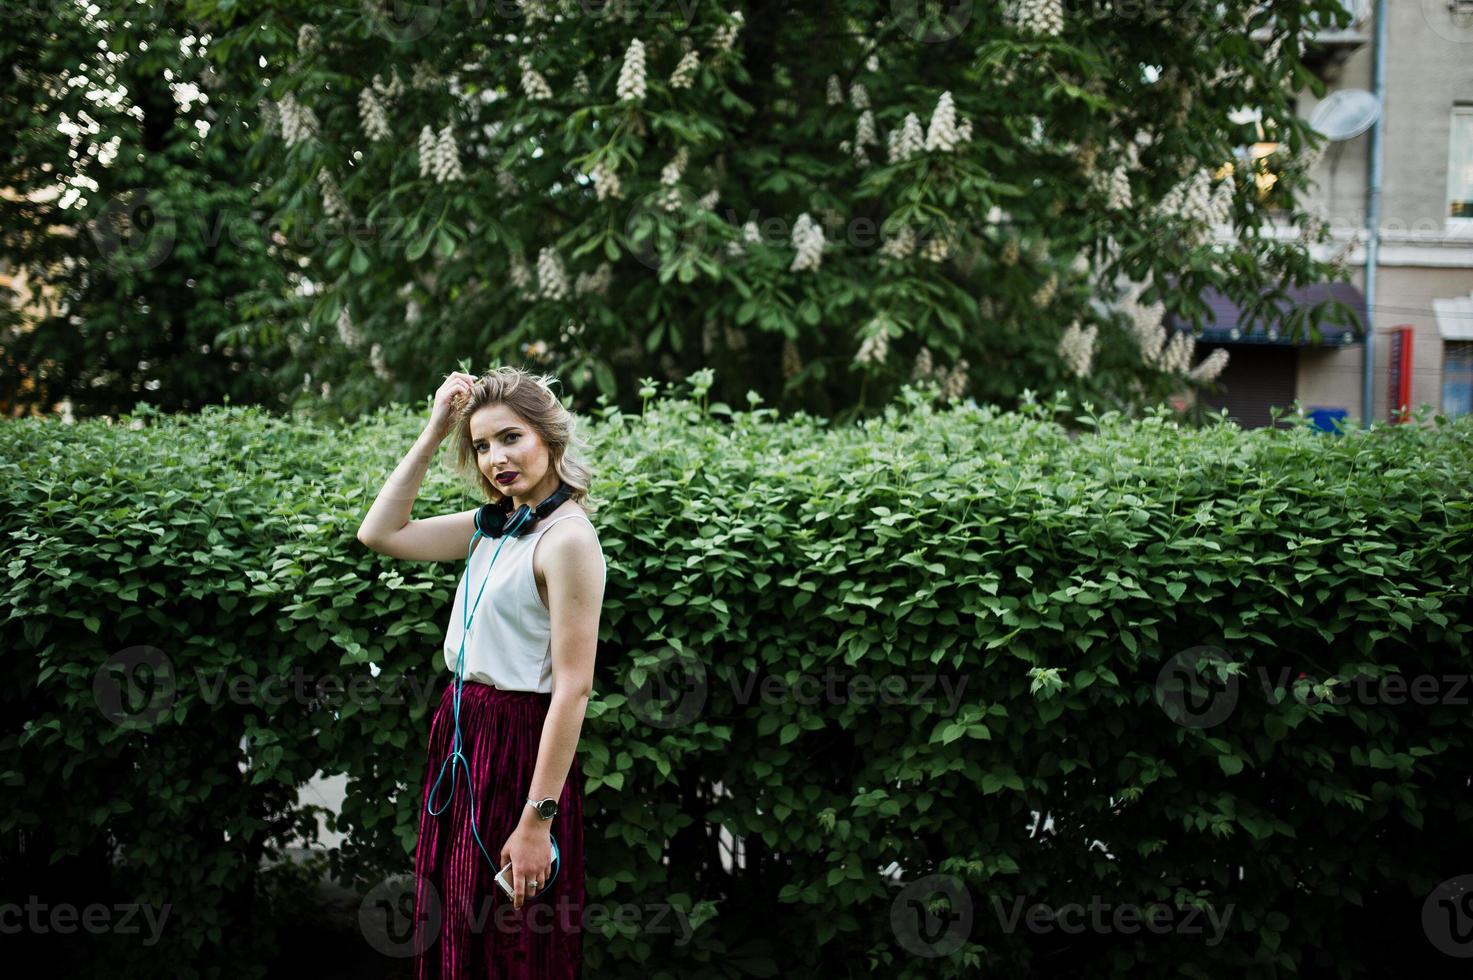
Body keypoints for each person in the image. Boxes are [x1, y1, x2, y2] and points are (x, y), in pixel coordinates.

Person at [356, 366, 607, 978]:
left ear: (549, 437)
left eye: (512, 438)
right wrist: (437, 426)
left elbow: (573, 688)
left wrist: (535, 820)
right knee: (456, 920)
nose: (497, 457)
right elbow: (380, 532)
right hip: (464, 733)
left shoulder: (566, 539)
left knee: (510, 937)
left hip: (520, 747)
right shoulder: (492, 528)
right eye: (482, 445)